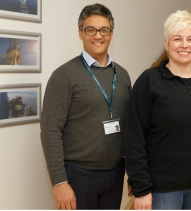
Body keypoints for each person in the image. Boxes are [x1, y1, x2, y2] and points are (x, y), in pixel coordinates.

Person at [125, 10, 191, 210]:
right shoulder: (149, 81)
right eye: (177, 39)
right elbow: (134, 138)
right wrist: (141, 188)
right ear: (166, 44)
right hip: (162, 189)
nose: (184, 45)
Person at [40, 3, 131, 210]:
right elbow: (50, 130)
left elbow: (131, 127)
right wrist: (59, 182)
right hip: (79, 175)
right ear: (80, 33)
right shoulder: (64, 76)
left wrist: (134, 173)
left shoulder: (123, 75)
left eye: (104, 30)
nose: (98, 36)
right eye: (90, 29)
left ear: (111, 33)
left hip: (116, 172)